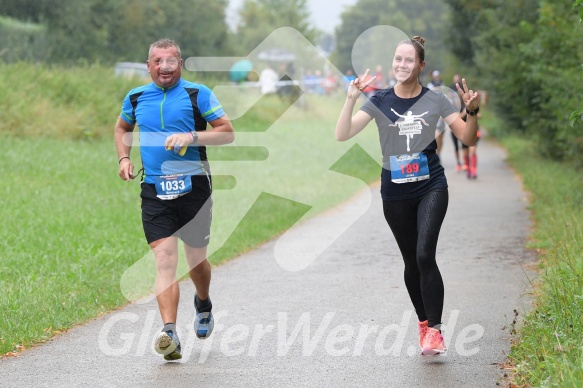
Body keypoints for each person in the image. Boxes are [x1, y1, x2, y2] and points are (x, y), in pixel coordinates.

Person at [335, 36, 480, 355]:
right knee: (411, 260)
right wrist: (350, 99)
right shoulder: (379, 100)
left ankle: (436, 331)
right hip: (395, 191)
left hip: (431, 185)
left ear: (421, 66)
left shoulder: (436, 100)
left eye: (409, 60)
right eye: (397, 60)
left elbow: (467, 139)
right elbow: (342, 134)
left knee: (425, 254)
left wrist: (473, 112)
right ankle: (424, 324)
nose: (402, 65)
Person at [114, 38, 235, 361]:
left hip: (194, 187)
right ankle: (169, 332)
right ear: (148, 65)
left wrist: (192, 136)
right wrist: (124, 159)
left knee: (196, 260)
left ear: (179, 64)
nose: (164, 67)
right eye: (158, 61)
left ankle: (204, 302)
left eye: (170, 61)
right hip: (154, 190)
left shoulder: (198, 94)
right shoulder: (136, 97)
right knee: (165, 260)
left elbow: (227, 131)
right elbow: (121, 128)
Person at [427, 70, 446, 154]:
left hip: (441, 118)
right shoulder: (430, 84)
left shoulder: (442, 83)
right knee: (435, 137)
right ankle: (434, 155)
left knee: (441, 138)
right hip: (434, 120)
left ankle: (439, 154)